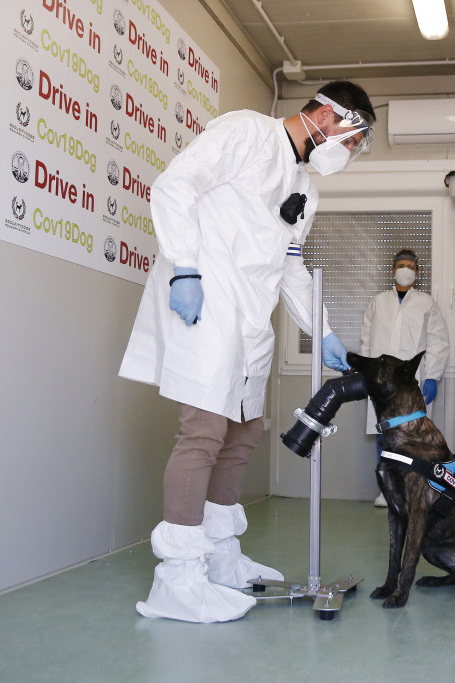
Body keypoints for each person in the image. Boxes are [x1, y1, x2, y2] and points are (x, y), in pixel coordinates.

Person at [119, 81, 375, 623]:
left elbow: (291, 268)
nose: (348, 152)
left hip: (252, 316)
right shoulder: (246, 132)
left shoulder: (305, 189)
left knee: (244, 431)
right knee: (203, 431)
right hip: (207, 296)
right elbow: (174, 185)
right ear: (326, 115)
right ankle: (178, 580)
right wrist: (184, 267)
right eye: (350, 140)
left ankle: (220, 557)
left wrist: (323, 331)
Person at [359, 249, 450, 506]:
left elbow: (438, 342)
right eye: (401, 265)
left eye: (410, 266)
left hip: (412, 381)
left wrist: (432, 377)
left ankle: (413, 491)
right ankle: (386, 491)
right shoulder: (378, 302)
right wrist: (367, 376)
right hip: (382, 381)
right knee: (385, 434)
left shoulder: (426, 303)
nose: (405, 270)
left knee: (413, 436)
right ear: (393, 269)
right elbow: (366, 341)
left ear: (417, 272)